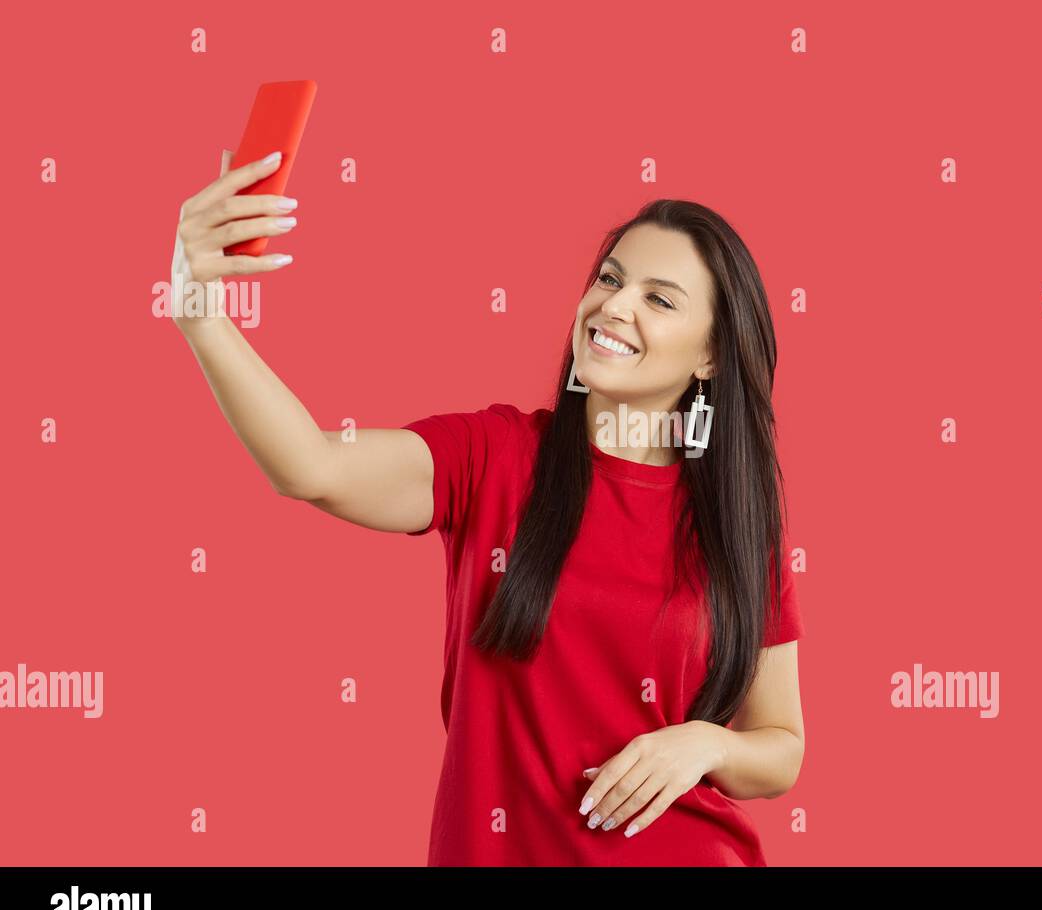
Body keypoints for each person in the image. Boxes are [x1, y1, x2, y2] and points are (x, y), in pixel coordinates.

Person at [171, 150, 806, 865]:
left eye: (659, 299)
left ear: (712, 357)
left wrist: (704, 743)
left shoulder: (737, 525)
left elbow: (782, 748)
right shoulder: (496, 457)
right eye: (609, 278)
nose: (614, 307)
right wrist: (202, 316)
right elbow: (311, 466)